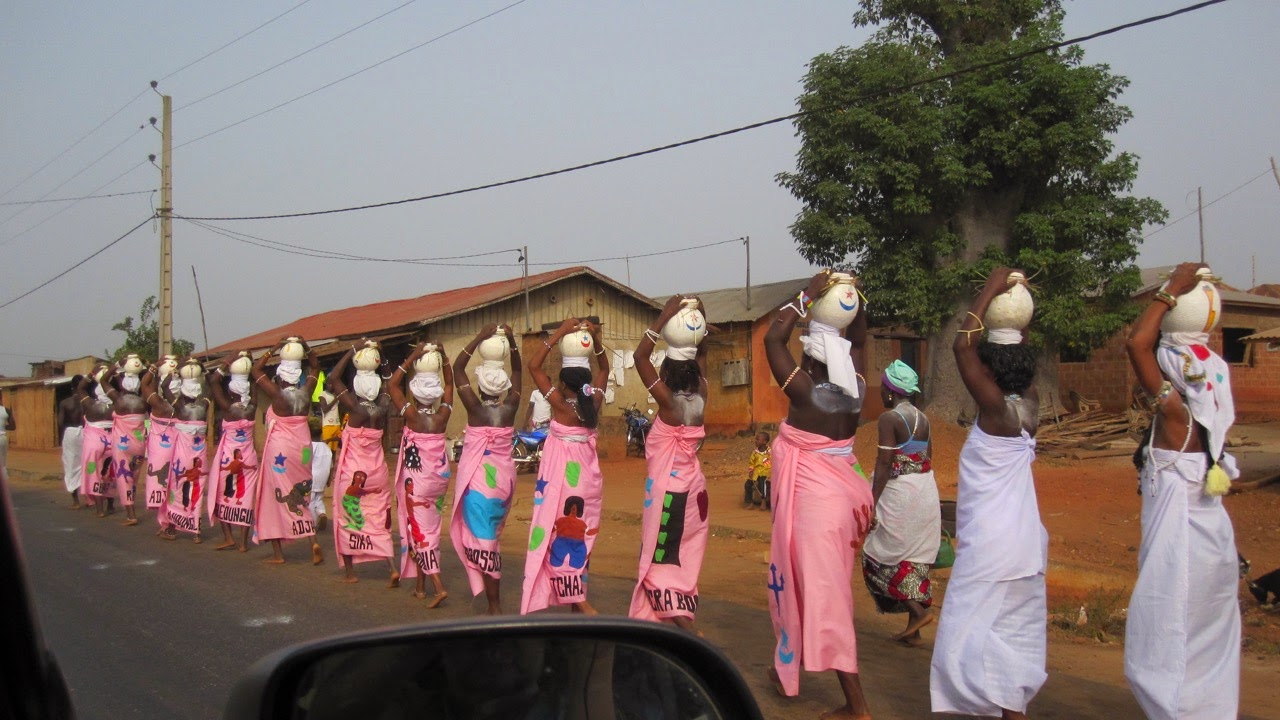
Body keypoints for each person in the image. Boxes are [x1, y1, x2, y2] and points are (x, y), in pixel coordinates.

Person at [1123, 261, 1241, 720]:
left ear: (1171, 380)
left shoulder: (1176, 418)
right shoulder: (1208, 431)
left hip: (1183, 559)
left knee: (1167, 633)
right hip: (1214, 548)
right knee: (1207, 642)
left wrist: (1171, 289)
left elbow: (1137, 343)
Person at [930, 267, 1048, 720]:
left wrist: (991, 289)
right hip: (1025, 548)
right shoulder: (1030, 404)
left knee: (964, 635)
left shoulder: (996, 410)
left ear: (990, 368)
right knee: (1012, 639)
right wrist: (1017, 309)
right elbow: (1007, 352)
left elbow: (963, 345)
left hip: (993, 549)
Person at [762, 270, 872, 719]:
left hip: (817, 506)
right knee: (806, 582)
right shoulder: (858, 390)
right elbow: (861, 343)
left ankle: (857, 706)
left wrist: (806, 294)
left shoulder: (807, 393)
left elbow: (773, 340)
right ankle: (786, 660)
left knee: (825, 596)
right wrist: (854, 301)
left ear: (809, 364)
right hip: (841, 499)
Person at [628, 295, 710, 633]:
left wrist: (663, 318)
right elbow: (701, 351)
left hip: (670, 497)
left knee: (655, 564)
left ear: (665, 373)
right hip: (695, 492)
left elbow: (638, 356)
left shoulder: (667, 402)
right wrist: (698, 315)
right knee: (678, 560)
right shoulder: (702, 392)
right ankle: (657, 627)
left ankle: (685, 631)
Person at [522, 318, 609, 616]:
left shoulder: (560, 403)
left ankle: (579, 601)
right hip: (588, 480)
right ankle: (578, 596)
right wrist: (596, 340)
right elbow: (606, 370)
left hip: (563, 481)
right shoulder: (593, 402)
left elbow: (534, 366)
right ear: (586, 383)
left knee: (558, 534)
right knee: (583, 535)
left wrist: (558, 334)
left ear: (562, 382)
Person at [862, 359, 940, 646]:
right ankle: (914, 630)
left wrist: (872, 501)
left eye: (883, 388)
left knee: (878, 557)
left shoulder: (889, 419)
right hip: (923, 490)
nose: (881, 394)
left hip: (899, 495)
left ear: (892, 391)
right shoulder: (924, 418)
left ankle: (917, 612)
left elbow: (884, 463)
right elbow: (926, 457)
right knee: (913, 558)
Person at [450, 324, 522, 614]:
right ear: (503, 387)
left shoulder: (475, 410)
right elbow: (518, 374)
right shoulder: (511, 407)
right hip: (504, 485)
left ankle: (495, 604)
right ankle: (491, 597)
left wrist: (479, 336)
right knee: (491, 536)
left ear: (480, 387)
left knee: (484, 542)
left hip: (481, 486)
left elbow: (457, 370)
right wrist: (513, 342)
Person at [327, 342, 398, 587]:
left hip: (353, 474)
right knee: (378, 518)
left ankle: (350, 572)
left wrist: (352, 350)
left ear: (356, 385)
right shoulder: (382, 407)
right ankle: (390, 567)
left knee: (345, 518)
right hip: (377, 473)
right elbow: (390, 384)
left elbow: (333, 377)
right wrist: (384, 361)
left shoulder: (354, 408)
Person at [389, 340, 453, 607]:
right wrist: (443, 356)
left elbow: (392, 385)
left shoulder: (412, 416)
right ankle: (419, 586)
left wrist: (413, 355)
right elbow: (450, 385)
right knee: (430, 529)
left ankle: (438, 585)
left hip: (417, 483)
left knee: (419, 532)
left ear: (415, 394)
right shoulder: (442, 416)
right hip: (438, 480)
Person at [251, 337, 324, 565]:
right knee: (301, 496)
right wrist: (305, 347)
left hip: (280, 452)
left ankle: (278, 554)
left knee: (275, 498)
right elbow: (316, 366)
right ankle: (312, 541)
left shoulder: (277, 394)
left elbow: (256, 369)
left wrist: (274, 347)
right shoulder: (306, 392)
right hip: (302, 450)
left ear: (281, 374)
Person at [149, 358, 212, 543]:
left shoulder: (179, 408)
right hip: (200, 458)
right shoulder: (204, 406)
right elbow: (208, 388)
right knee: (196, 492)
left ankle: (171, 528)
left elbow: (166, 387)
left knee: (176, 491)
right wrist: (202, 371)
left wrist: (174, 371)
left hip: (182, 459)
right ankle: (197, 532)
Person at [206, 352, 259, 552]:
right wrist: (249, 367)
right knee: (245, 499)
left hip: (228, 458)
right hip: (249, 459)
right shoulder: (252, 407)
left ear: (232, 389)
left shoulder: (228, 408)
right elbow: (254, 383)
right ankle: (243, 543)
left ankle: (229, 537)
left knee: (222, 496)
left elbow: (213, 381)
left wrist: (228, 361)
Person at [101, 361, 149, 526]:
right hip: (139, 446)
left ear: (123, 384)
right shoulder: (143, 401)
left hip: (122, 446)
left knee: (124, 478)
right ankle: (131, 506)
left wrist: (116, 365)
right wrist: (150, 367)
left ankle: (131, 514)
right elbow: (151, 383)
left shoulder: (118, 400)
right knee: (134, 477)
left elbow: (103, 381)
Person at [78, 370, 116, 517]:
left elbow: (80, 388)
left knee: (95, 474)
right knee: (109, 473)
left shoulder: (90, 405)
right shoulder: (116, 405)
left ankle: (100, 509)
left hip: (94, 442)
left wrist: (90, 374)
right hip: (112, 441)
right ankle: (111, 505)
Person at [57, 377, 85, 508]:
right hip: (87, 433)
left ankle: (75, 501)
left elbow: (60, 423)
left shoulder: (65, 403)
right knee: (87, 464)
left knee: (71, 465)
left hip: (70, 433)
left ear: (72, 387)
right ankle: (92, 498)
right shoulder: (88, 402)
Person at [308, 419, 333, 530]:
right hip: (323, 477)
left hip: (311, 477)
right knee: (319, 499)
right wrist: (329, 479)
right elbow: (331, 466)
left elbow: (304, 463)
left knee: (310, 501)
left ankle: (312, 524)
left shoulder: (308, 447)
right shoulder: (327, 448)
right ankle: (322, 513)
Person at [745, 432, 772, 510]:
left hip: (766, 472)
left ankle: (763, 501)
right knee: (747, 484)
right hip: (756, 472)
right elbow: (751, 462)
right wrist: (750, 471)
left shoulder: (770, 452)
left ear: (764, 441)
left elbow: (773, 461)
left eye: (758, 439)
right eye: (755, 439)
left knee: (762, 484)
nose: (755, 441)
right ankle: (750, 502)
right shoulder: (755, 452)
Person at [317, 388, 342, 455]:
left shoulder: (336, 394)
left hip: (337, 423)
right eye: (329, 383)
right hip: (328, 424)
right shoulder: (323, 395)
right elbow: (325, 409)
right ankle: (326, 464)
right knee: (327, 449)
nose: (331, 385)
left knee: (334, 450)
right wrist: (335, 399)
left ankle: (332, 465)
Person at [0, 392, 12, 485]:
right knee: (3, 462)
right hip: (3, 438)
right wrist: (3, 427)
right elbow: (13, 426)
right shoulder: (7, 410)